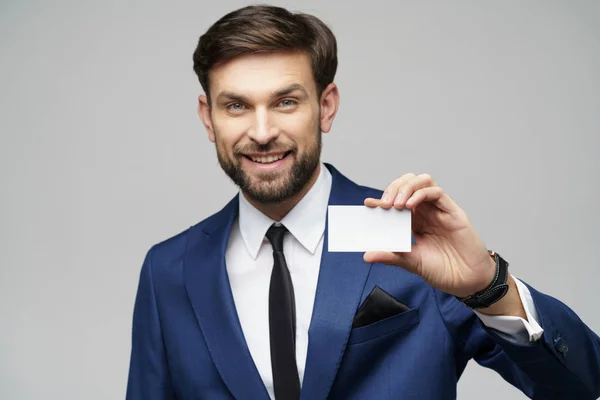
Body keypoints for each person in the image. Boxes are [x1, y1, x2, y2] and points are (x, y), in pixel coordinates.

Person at [126, 5, 600, 400]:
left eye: (286, 102)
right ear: (208, 118)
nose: (263, 131)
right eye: (236, 106)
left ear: (326, 106)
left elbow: (580, 385)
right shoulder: (170, 271)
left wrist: (489, 286)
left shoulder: (408, 234)